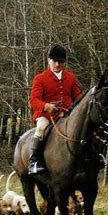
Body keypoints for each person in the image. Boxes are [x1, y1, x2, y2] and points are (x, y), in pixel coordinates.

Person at [28, 45, 82, 175]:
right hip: (45, 115)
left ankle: (94, 157)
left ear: (64, 62)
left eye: (61, 62)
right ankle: (34, 161)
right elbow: (34, 100)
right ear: (49, 60)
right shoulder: (40, 78)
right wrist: (46, 106)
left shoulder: (71, 77)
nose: (57, 64)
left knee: (82, 127)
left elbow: (78, 97)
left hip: (66, 114)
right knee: (41, 128)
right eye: (55, 61)